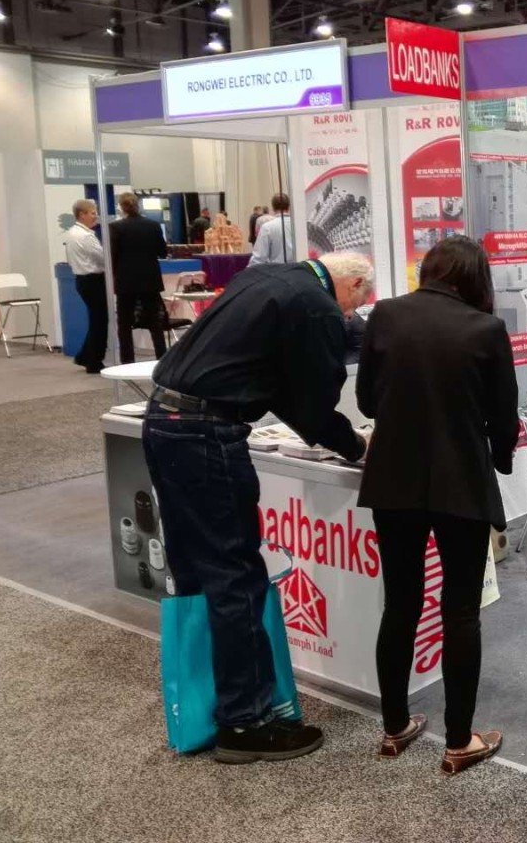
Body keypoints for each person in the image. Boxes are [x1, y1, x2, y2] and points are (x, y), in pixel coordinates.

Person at [143, 251, 374, 763]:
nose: (351, 314)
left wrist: (334, 435)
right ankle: (245, 722)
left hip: (163, 422)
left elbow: (283, 392)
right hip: (207, 435)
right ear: (353, 283)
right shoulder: (316, 307)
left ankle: (206, 705)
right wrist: (356, 445)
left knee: (195, 571)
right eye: (356, 303)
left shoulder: (268, 277)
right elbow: (312, 404)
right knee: (236, 576)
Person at [356, 237, 518, 775]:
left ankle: (394, 728)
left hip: (393, 483)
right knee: (461, 611)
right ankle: (458, 741)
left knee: (400, 604)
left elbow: (366, 400)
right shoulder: (486, 329)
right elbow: (504, 418)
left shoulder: (384, 315)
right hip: (461, 485)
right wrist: (499, 459)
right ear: (475, 278)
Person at [109, 192, 168, 363]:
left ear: (121, 207)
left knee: (124, 323)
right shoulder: (153, 225)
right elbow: (162, 252)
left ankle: (127, 361)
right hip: (150, 280)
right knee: (155, 322)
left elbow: (113, 255)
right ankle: (162, 358)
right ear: (138, 205)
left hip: (126, 281)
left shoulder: (116, 227)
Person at [66, 199, 108, 374]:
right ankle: (94, 361)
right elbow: (103, 258)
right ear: (82, 214)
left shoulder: (71, 233)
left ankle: (85, 356)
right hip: (93, 280)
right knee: (99, 321)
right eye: (92, 213)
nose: (95, 216)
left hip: (82, 280)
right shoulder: (86, 236)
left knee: (96, 319)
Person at [249, 195, 295, 266]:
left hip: (277, 270)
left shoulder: (267, 227)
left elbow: (258, 258)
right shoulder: (299, 226)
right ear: (289, 207)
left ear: (273, 208)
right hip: (298, 270)